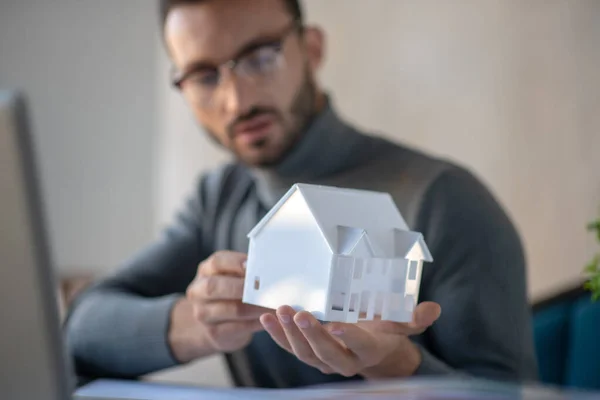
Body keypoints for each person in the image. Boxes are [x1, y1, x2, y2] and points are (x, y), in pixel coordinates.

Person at [64, 0, 538, 388]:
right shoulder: (220, 197)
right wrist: (198, 322)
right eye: (205, 76)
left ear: (311, 50)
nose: (238, 100)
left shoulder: (444, 200)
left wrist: (396, 365)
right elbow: (79, 329)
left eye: (260, 56)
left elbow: (512, 392)